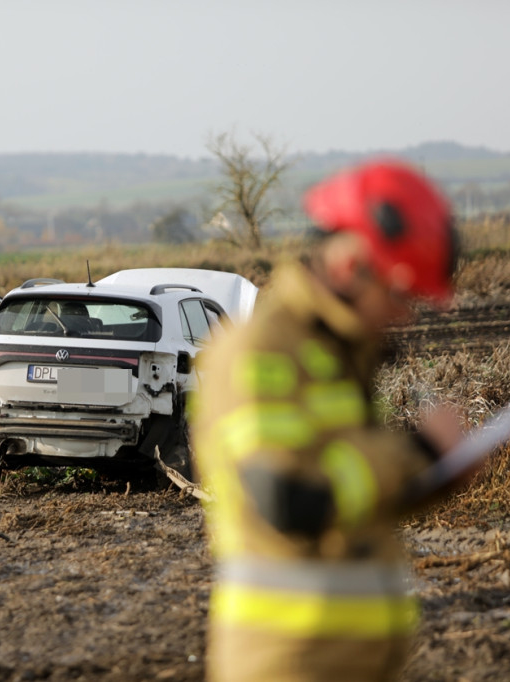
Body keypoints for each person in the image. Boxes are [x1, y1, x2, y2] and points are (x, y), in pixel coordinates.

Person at [190, 159, 467, 682]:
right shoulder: (261, 353)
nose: (403, 314)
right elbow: (289, 501)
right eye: (398, 293)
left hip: (350, 660)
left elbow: (356, 497)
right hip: (286, 663)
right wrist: (419, 453)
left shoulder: (337, 356)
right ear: (348, 266)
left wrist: (442, 471)